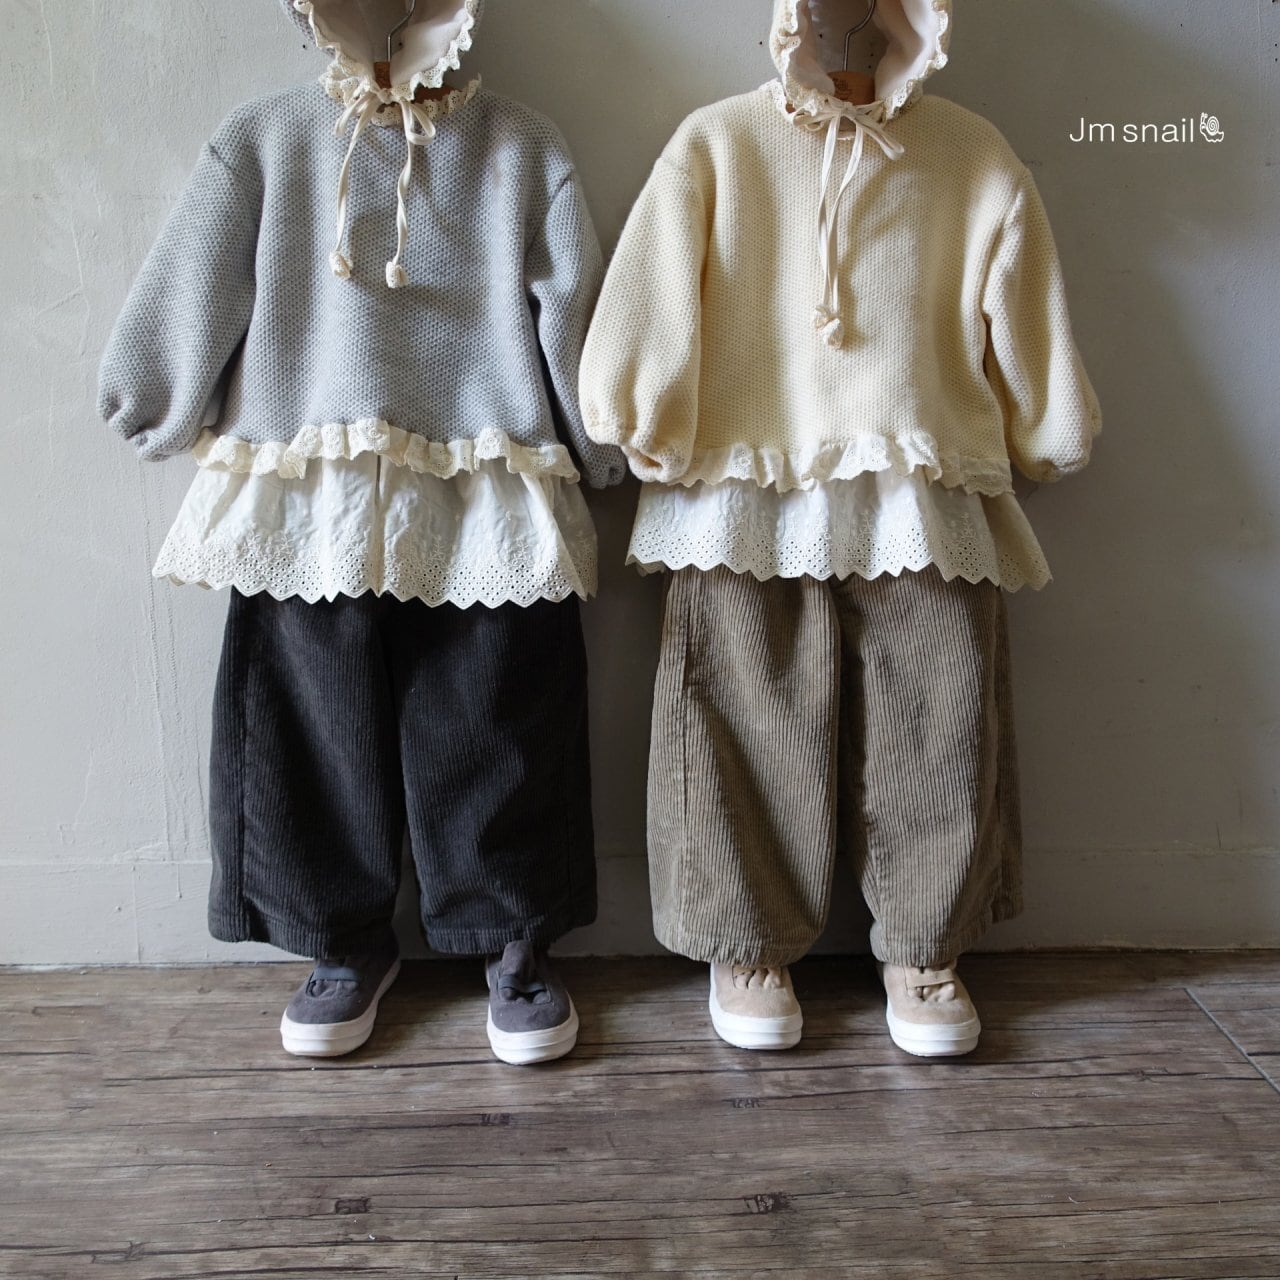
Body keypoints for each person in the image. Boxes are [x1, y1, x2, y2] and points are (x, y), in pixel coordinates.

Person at [98, 0, 624, 1064]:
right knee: (307, 708)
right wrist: (150, 390)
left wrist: (599, 436)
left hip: (482, 464)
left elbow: (572, 302)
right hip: (312, 472)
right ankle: (338, 937)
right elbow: (200, 267)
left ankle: (510, 932)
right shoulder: (265, 140)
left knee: (499, 702)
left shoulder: (520, 146)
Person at [579, 0, 1100, 1056]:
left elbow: (1023, 293)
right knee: (737, 708)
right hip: (742, 476)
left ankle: (925, 943)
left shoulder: (970, 152)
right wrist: (635, 407)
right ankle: (745, 940)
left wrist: (1047, 424)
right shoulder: (718, 143)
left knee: (938, 710)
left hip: (914, 477)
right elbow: (652, 289)